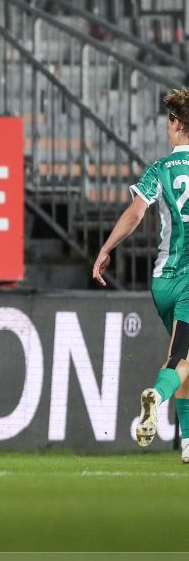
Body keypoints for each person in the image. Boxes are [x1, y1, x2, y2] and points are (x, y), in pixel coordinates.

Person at [92, 87, 189, 463]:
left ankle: (185, 443)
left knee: (184, 361)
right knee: (180, 359)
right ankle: (155, 396)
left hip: (163, 280)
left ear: (177, 124)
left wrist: (106, 248)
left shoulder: (160, 169)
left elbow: (135, 214)